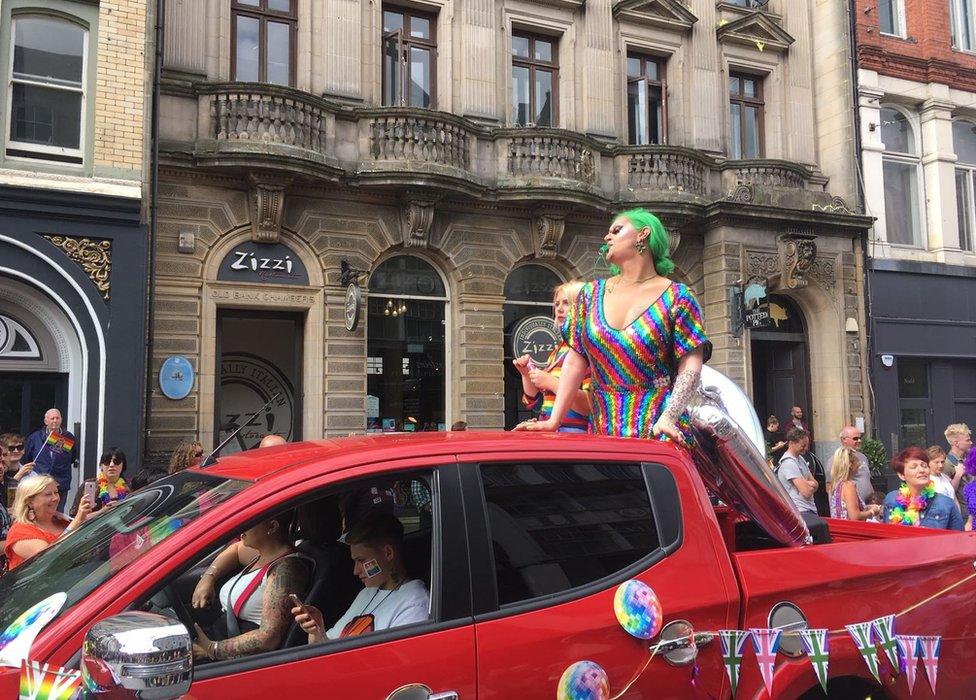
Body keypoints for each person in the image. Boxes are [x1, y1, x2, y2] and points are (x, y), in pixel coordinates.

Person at [515, 208, 709, 443]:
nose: (607, 237)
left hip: (659, 433)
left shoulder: (678, 296)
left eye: (616, 230)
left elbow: (690, 363)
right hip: (603, 433)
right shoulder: (590, 294)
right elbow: (576, 360)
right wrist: (554, 421)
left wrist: (669, 416)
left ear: (643, 234)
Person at [291, 512, 428, 642]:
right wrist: (317, 631)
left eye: (361, 560)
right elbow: (330, 646)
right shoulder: (366, 593)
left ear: (388, 553)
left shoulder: (415, 604)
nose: (355, 571)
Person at [192, 512, 310, 661]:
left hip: (235, 659)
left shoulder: (285, 570)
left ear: (272, 526)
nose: (241, 525)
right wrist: (208, 577)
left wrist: (211, 649)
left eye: (250, 521)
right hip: (218, 639)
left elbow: (268, 638)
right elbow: (235, 549)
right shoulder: (263, 554)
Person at [514, 281, 591, 433]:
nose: (559, 309)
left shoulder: (587, 349)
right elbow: (531, 402)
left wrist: (551, 383)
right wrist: (525, 374)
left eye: (566, 303)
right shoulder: (558, 350)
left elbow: (590, 406)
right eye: (556, 304)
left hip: (575, 437)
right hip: (554, 434)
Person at [4, 475, 92, 570]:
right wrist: (77, 520)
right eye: (48, 494)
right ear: (29, 502)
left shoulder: (63, 521)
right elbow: (50, 558)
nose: (55, 498)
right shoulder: (19, 531)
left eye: (56, 492)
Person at [883, 446, 964, 530]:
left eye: (924, 466)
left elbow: (959, 539)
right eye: (914, 467)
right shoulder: (891, 499)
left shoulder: (945, 503)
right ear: (901, 475)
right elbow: (886, 536)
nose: (922, 470)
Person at [23, 409, 77, 512]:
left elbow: (72, 457)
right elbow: (27, 458)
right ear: (46, 421)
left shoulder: (68, 437)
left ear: (61, 420)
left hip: (60, 483)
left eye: (57, 418)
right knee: (39, 512)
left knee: (57, 513)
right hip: (40, 483)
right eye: (52, 418)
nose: (55, 421)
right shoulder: (35, 437)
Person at [70, 448, 129, 515]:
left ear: (123, 465)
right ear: (101, 465)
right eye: (107, 461)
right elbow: (75, 516)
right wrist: (102, 512)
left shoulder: (128, 487)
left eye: (116, 461)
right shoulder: (91, 485)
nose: (111, 465)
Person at [828, 448, 881, 521]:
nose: (859, 464)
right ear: (850, 464)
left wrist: (866, 508)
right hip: (850, 529)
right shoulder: (848, 485)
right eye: (857, 461)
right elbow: (854, 516)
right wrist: (872, 512)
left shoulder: (837, 484)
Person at [777, 428, 818, 515]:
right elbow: (806, 492)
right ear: (791, 443)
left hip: (809, 509)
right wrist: (808, 484)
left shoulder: (800, 459)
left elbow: (816, 484)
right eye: (803, 446)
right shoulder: (789, 463)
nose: (806, 448)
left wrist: (810, 484)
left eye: (807, 445)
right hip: (800, 510)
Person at [838, 426, 873, 501]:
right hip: (852, 506)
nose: (859, 441)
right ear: (844, 440)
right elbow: (830, 487)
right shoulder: (837, 459)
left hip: (867, 504)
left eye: (860, 438)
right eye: (855, 438)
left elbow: (867, 479)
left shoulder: (863, 457)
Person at [944, 423, 972, 499]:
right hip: (963, 509)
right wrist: (958, 475)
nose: (971, 443)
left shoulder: (969, 458)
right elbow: (946, 493)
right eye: (967, 440)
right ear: (956, 443)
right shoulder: (946, 464)